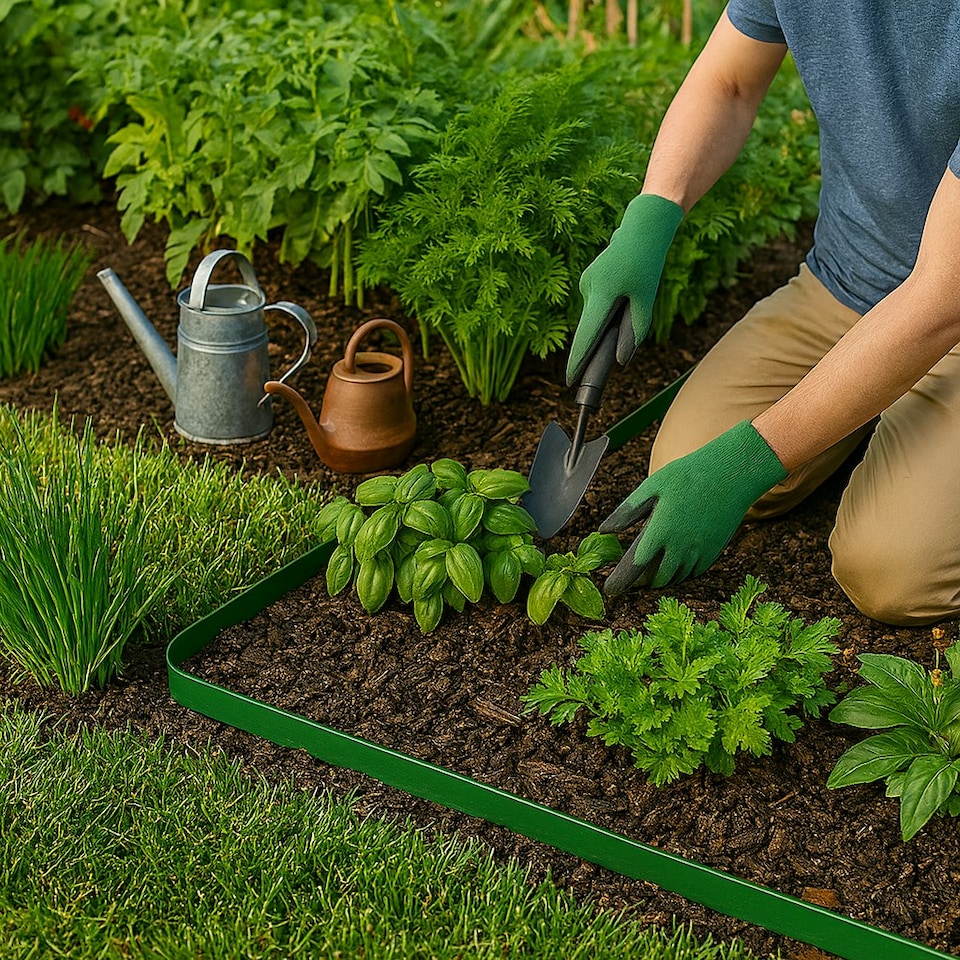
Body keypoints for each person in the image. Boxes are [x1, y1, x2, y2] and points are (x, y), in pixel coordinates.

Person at [566, 1, 960, 626]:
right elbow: (729, 82)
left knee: (892, 575)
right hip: (848, 281)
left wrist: (746, 462)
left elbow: (941, 299)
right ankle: (867, 423)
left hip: (950, 307)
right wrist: (651, 216)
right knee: (682, 466)